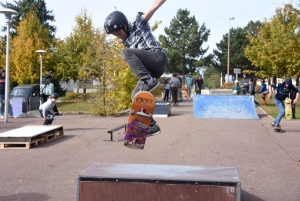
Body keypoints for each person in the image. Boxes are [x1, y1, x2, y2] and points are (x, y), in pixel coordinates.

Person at [104, 0, 167, 136]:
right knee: (136, 97)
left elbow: (153, 8)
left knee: (126, 53)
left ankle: (149, 81)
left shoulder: (138, 24)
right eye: (116, 36)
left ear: (125, 25)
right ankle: (151, 126)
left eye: (119, 33)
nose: (119, 38)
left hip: (158, 58)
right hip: (152, 70)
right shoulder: (125, 40)